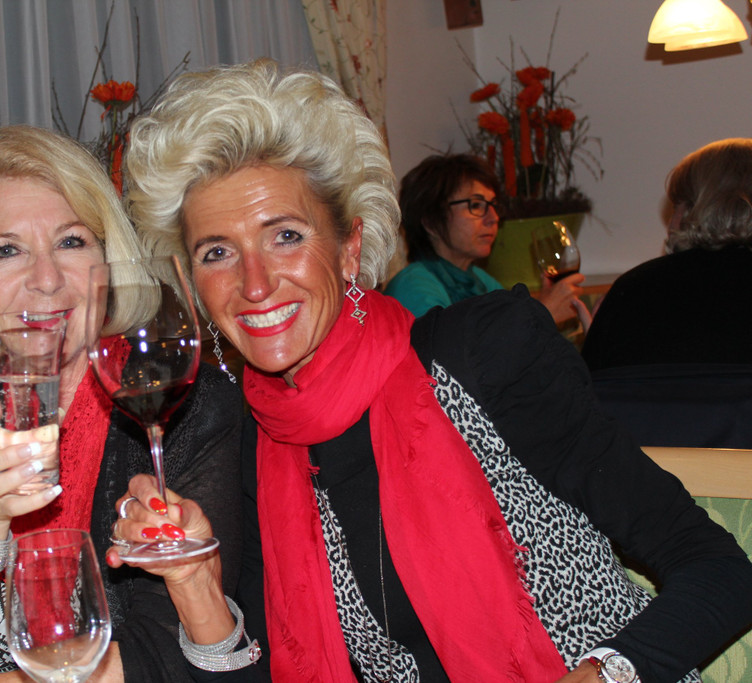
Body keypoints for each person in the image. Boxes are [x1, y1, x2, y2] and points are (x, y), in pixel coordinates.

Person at [109, 60, 752, 682]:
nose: (254, 283)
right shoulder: (254, 433)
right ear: (193, 285)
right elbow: (269, 671)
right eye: (217, 252)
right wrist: (195, 582)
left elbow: (718, 568)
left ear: (349, 247)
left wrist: (604, 675)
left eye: (286, 236)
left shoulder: (486, 354)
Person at [0, 124, 244, 682]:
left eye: (72, 242)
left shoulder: (178, 404)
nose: (48, 278)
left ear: (106, 264)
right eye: (6, 250)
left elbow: (169, 650)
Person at [582, 138, 752, 372]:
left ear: (694, 210)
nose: (670, 222)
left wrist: (596, 338)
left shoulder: (635, 291)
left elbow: (597, 387)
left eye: (676, 207)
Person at [385, 153, 584, 324]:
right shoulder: (414, 287)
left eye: (494, 205)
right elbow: (452, 356)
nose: (493, 218)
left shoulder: (481, 281)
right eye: (476, 205)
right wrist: (542, 315)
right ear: (431, 222)